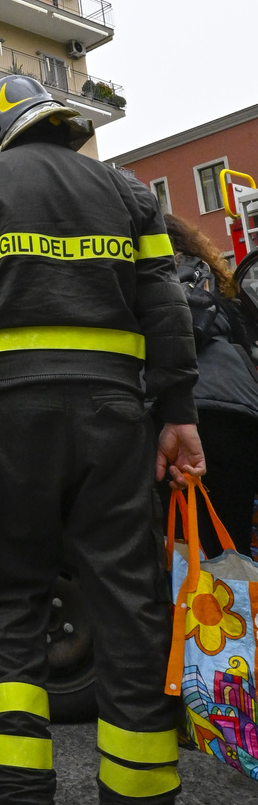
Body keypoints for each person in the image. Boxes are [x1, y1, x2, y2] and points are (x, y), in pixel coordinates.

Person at [0, 75, 204, 805]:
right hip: (116, 418)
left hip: (9, 418)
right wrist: (176, 410)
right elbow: (165, 304)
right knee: (128, 606)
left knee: (10, 602)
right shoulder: (127, 192)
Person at [161, 212, 258, 556]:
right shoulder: (213, 291)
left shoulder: (135, 290)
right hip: (238, 415)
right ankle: (235, 605)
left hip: (164, 419)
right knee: (231, 544)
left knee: (170, 543)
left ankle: (179, 605)